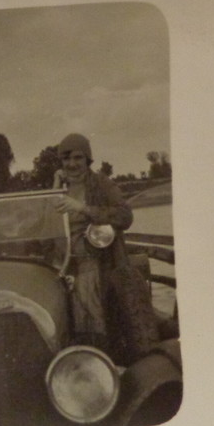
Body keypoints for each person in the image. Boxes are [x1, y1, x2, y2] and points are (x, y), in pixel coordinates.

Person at [51, 133, 157, 362]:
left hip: (95, 262)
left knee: (88, 302)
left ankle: (97, 357)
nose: (72, 164)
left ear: (88, 159)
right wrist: (54, 188)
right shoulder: (59, 187)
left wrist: (82, 208)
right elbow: (45, 225)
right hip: (62, 265)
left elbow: (125, 216)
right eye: (66, 159)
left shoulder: (101, 184)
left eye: (78, 158)